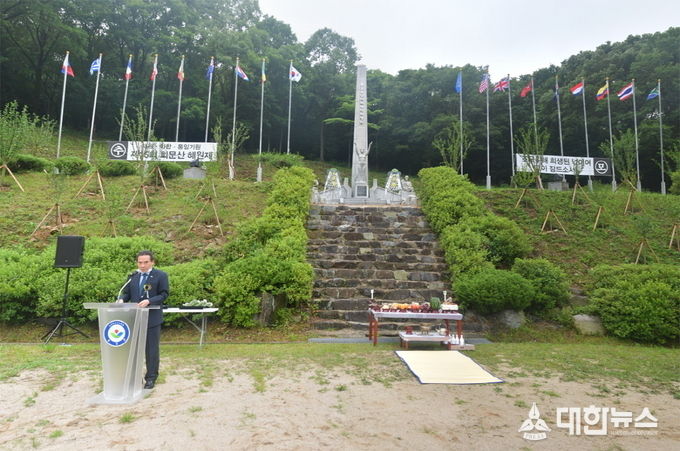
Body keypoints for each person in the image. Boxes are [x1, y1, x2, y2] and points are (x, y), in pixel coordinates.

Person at [117, 250, 169, 389]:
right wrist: (122, 299)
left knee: (151, 350)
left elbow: (164, 294)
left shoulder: (160, 275)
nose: (142, 265)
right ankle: (134, 378)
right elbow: (126, 292)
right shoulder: (133, 276)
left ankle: (151, 378)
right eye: (140, 262)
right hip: (134, 318)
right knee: (133, 350)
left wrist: (149, 301)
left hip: (151, 319)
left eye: (146, 262)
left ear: (152, 262)